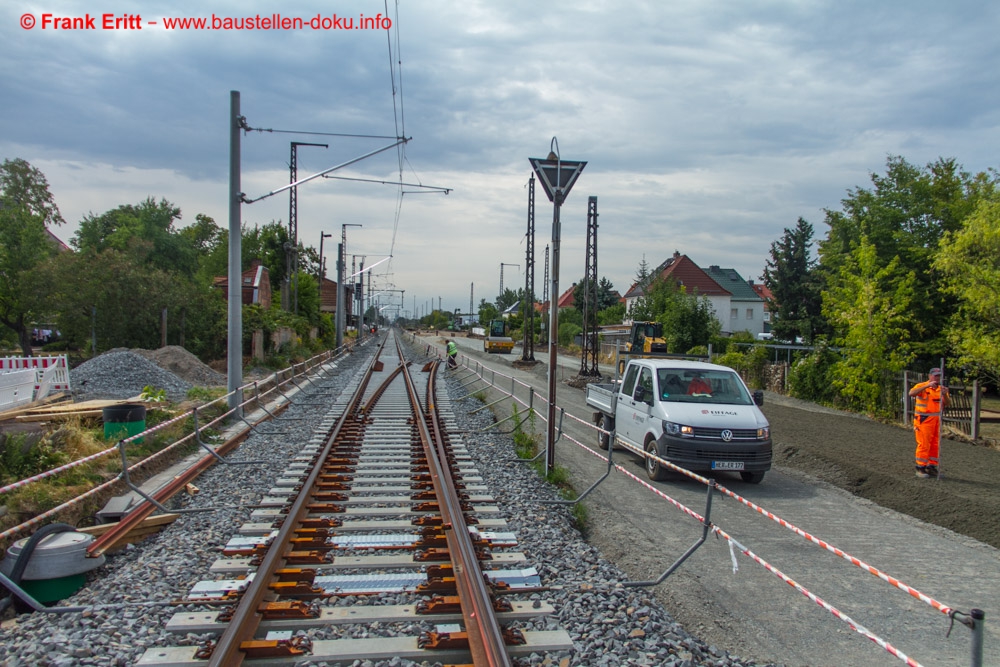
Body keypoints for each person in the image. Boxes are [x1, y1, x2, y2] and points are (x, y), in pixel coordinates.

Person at [909, 368, 949, 478]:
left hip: (936, 420)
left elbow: (948, 403)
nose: (937, 378)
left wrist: (945, 394)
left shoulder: (942, 389)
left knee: (935, 444)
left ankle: (932, 466)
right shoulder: (922, 386)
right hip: (924, 419)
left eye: (939, 376)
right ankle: (920, 467)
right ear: (930, 376)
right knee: (924, 443)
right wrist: (927, 386)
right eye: (935, 376)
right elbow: (911, 393)